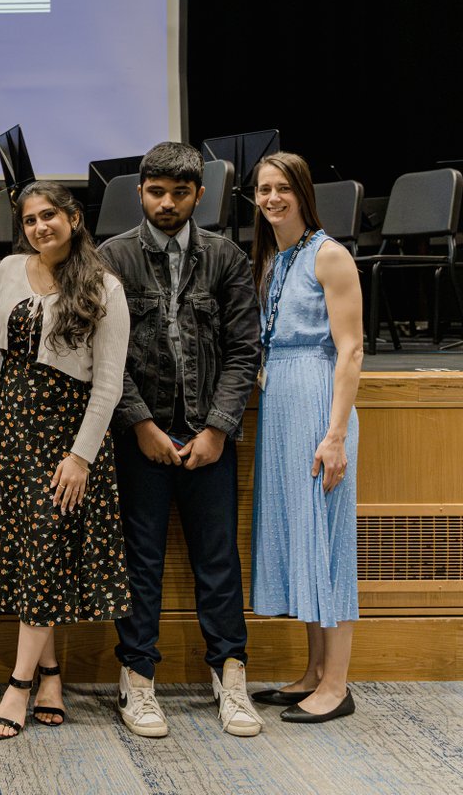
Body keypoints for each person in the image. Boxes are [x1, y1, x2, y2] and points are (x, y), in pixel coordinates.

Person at [99, 142, 263, 738]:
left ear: (200, 195)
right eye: (156, 192)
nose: (166, 203)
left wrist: (218, 428)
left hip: (208, 438)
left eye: (179, 193)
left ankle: (230, 675)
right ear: (140, 192)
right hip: (138, 438)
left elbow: (246, 350)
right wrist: (140, 423)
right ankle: (137, 680)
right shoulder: (111, 256)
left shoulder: (225, 257)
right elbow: (103, 356)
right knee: (139, 563)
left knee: (218, 562)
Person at [0, 182, 131, 739]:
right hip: (11, 425)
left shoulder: (105, 285)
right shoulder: (10, 268)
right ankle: (52, 673)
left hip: (65, 436)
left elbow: (108, 385)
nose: (40, 227)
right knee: (37, 556)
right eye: (31, 219)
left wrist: (80, 457)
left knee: (44, 551)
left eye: (50, 216)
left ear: (75, 218)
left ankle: (18, 685)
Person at [249, 152, 362, 723]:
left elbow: (351, 349)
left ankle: (337, 686)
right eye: (263, 189)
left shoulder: (330, 255)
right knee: (303, 535)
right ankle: (315, 671)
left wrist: (336, 434)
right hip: (281, 401)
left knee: (329, 540)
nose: (271, 198)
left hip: (319, 399)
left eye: (282, 188)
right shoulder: (276, 257)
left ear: (303, 191)